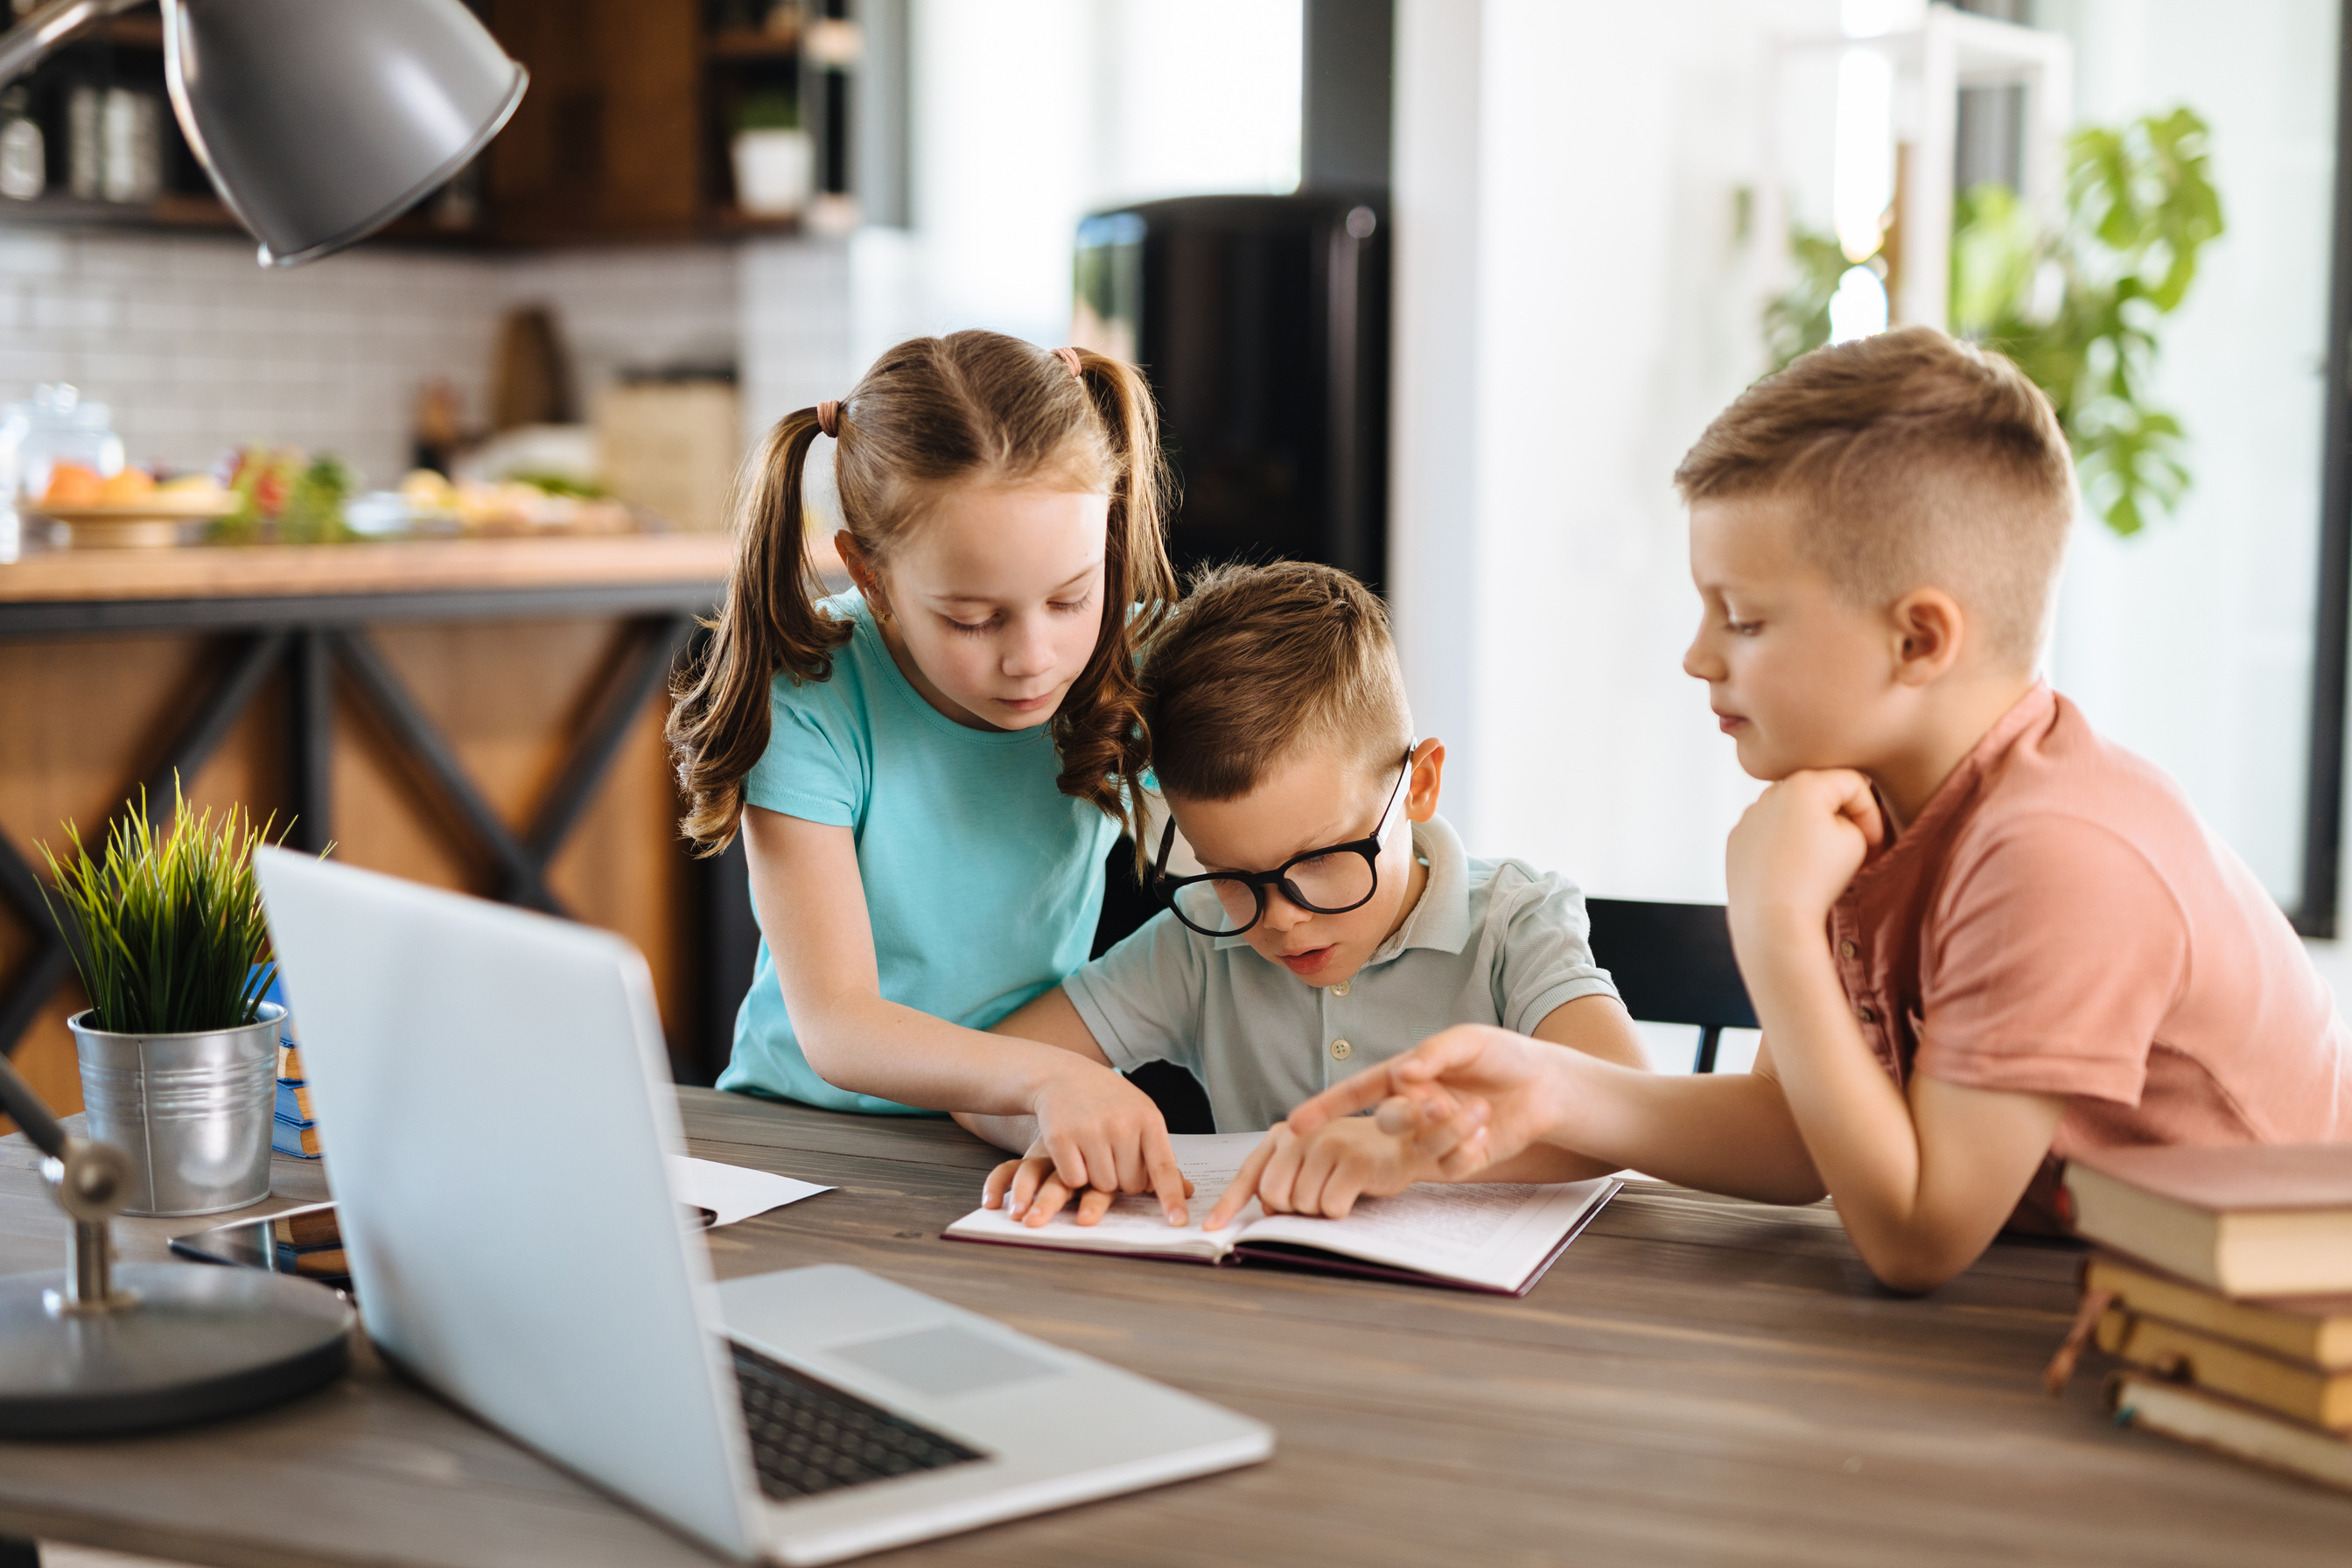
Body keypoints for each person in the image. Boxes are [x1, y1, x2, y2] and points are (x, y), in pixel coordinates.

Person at [1233, 326, 2352, 1292]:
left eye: (1745, 619)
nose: (1697, 655)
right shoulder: (1866, 805)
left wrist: (1771, 931)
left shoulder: (2054, 853)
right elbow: (1798, 1139)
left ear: (1919, 639)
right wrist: (1550, 1089)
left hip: (2277, 1338)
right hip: (2084, 1303)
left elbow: (1917, 1237)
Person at [666, 330, 1195, 1220]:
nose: (1035, 658)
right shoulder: (811, 691)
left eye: (1070, 597)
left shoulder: (1132, 661)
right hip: (797, 1136)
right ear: (871, 578)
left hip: (1004, 1120)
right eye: (974, 618)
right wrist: (1052, 1076)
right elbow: (838, 1024)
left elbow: (1243, 888)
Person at [963, 561, 1649, 1228]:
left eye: (1322, 859)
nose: (1284, 921)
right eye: (1233, 875)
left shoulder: (1515, 922)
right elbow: (979, 1083)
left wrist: (1411, 1155)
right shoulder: (1203, 939)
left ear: (1418, 786)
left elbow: (1629, 1113)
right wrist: (1064, 1120)